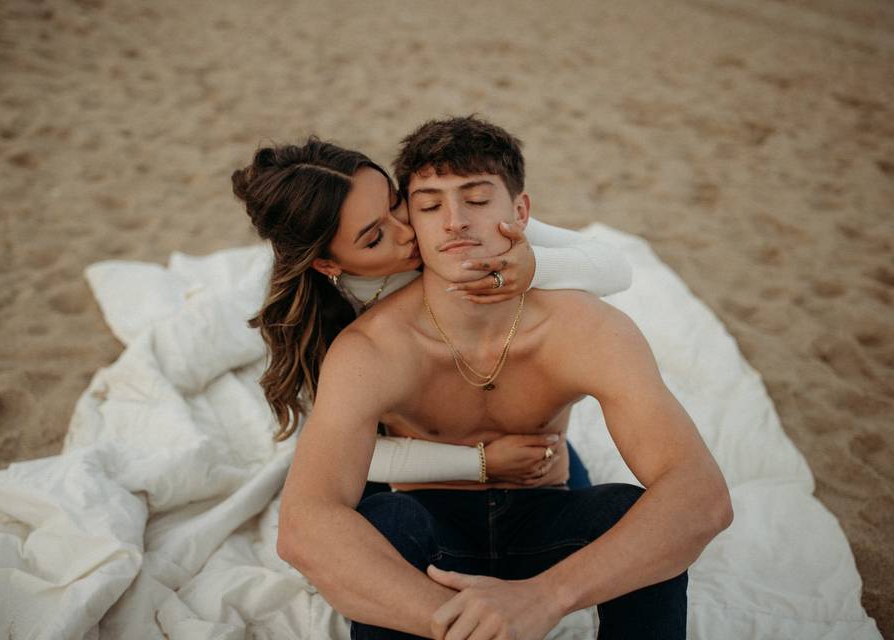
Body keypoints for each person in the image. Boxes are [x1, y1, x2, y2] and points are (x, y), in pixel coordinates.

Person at [275, 116, 733, 639]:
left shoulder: (586, 329)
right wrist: (471, 625)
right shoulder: (370, 348)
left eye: (476, 200)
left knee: (627, 511)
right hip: (431, 526)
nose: (453, 223)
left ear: (521, 212)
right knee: (383, 521)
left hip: (544, 504)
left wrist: (545, 597)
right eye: (427, 207)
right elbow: (303, 526)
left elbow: (702, 495)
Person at [231, 138, 632, 492]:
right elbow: (346, 450)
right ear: (327, 264)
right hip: (412, 462)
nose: (408, 232)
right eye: (374, 238)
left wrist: (534, 267)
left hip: (515, 432)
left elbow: (615, 266)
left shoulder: (443, 225)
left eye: (396, 204)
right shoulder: (321, 324)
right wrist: (481, 463)